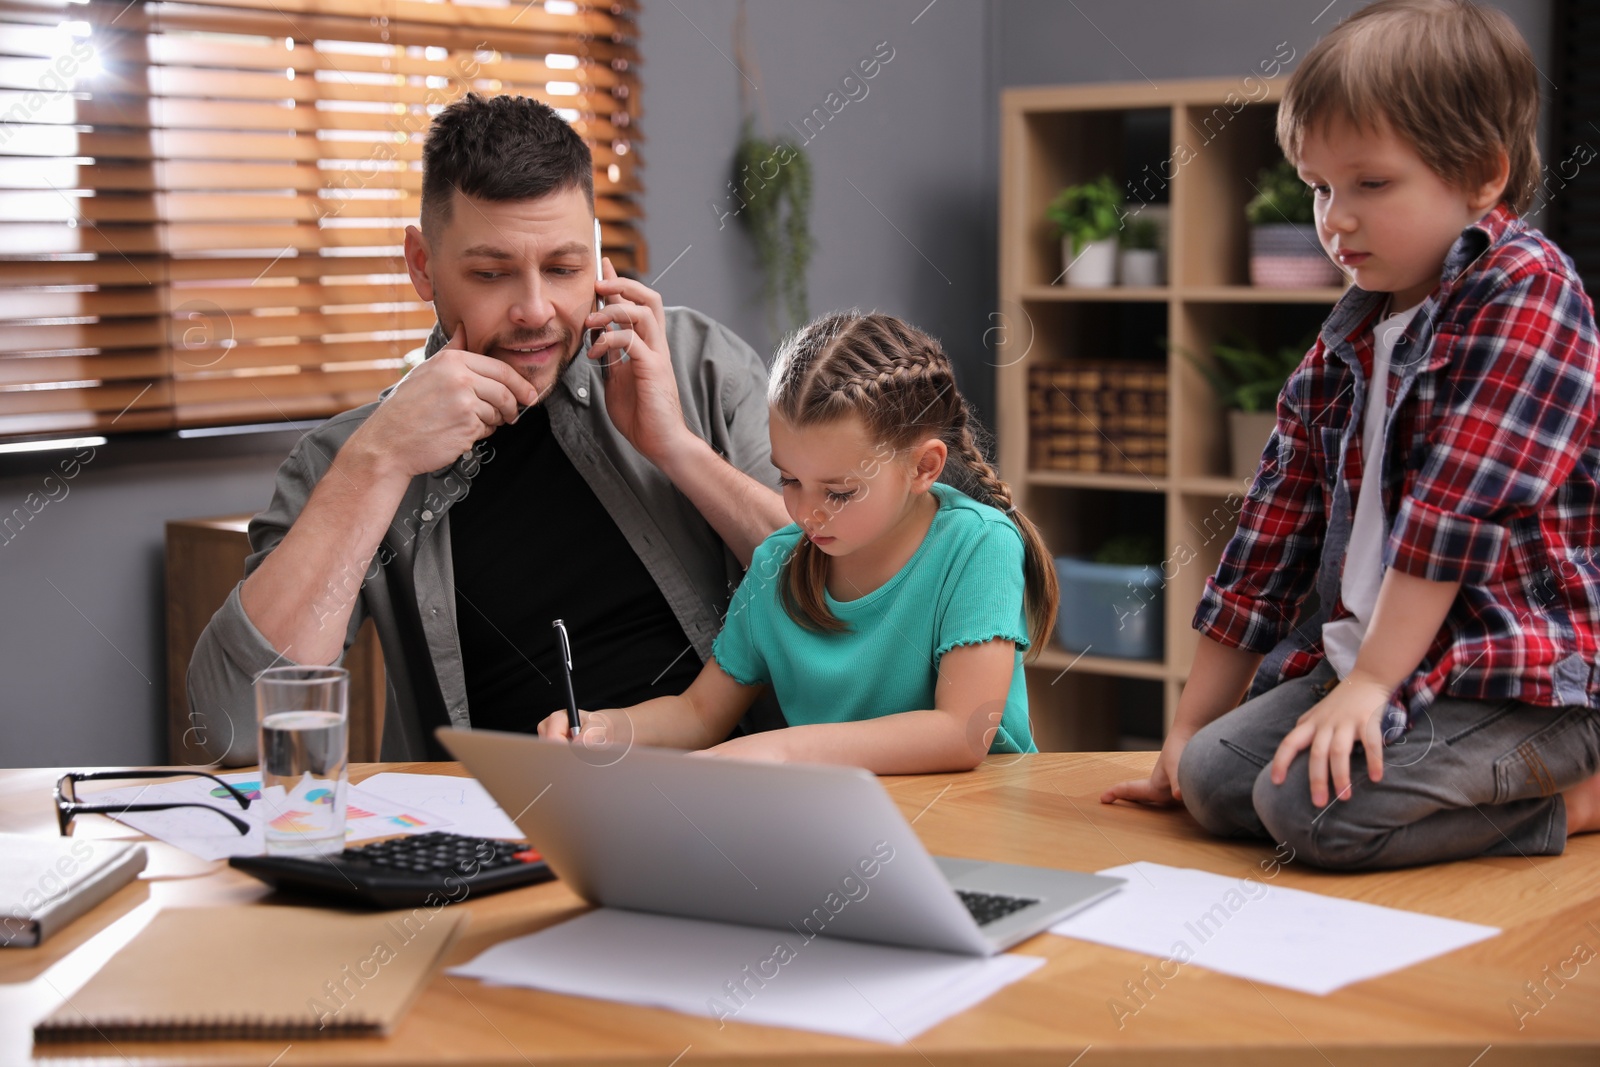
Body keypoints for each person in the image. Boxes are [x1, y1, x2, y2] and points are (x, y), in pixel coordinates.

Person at [1103, 0, 1600, 870]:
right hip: (1383, 669)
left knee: (1314, 817)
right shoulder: (1352, 335)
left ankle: (1576, 794)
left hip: (1517, 685)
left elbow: (1454, 512)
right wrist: (1183, 731)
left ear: (1482, 175)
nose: (1334, 219)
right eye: (1320, 188)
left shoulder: (1530, 290)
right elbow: (1267, 538)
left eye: (1370, 185)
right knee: (1214, 781)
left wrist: (1371, 683)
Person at [188, 93, 789, 764]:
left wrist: (675, 448)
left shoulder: (693, 364)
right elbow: (234, 725)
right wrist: (379, 459)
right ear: (422, 265)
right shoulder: (350, 458)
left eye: (564, 268)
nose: (535, 310)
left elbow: (856, 594)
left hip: (732, 797)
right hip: (498, 839)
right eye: (491, 272)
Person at [537, 311, 1057, 773]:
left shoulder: (978, 546)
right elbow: (697, 714)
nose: (806, 513)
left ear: (924, 467)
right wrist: (603, 728)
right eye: (788, 480)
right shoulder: (779, 562)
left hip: (976, 826)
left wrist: (782, 750)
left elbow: (961, 733)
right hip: (841, 830)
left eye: (840, 491)